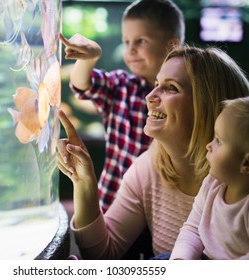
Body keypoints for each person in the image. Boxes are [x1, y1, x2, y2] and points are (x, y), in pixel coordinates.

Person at [57, 45, 249, 259]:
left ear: (207, 106)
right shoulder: (148, 167)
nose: (150, 96)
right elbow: (103, 254)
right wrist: (83, 183)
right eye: (157, 84)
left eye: (171, 88)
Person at [59, 0, 185, 212]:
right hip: (115, 203)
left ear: (171, 45)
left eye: (140, 41)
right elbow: (81, 85)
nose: (130, 50)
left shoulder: (186, 96)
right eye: (126, 42)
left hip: (164, 209)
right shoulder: (121, 86)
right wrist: (89, 59)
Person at [170, 96, 249, 260]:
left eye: (218, 141)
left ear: (247, 163)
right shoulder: (212, 184)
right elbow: (193, 229)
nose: (209, 146)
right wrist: (181, 260)